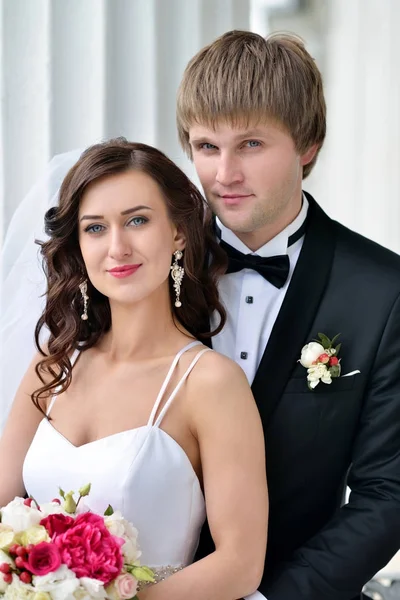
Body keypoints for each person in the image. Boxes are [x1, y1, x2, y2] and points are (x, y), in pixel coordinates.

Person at [176, 30, 400, 600]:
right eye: (206, 146)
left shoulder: (382, 291)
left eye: (250, 145)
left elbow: (387, 492)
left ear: (308, 144)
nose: (223, 174)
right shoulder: (148, 270)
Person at [0, 139, 268, 599]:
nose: (117, 247)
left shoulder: (209, 383)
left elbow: (240, 563)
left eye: (138, 221)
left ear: (179, 232)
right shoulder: (53, 365)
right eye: (95, 228)